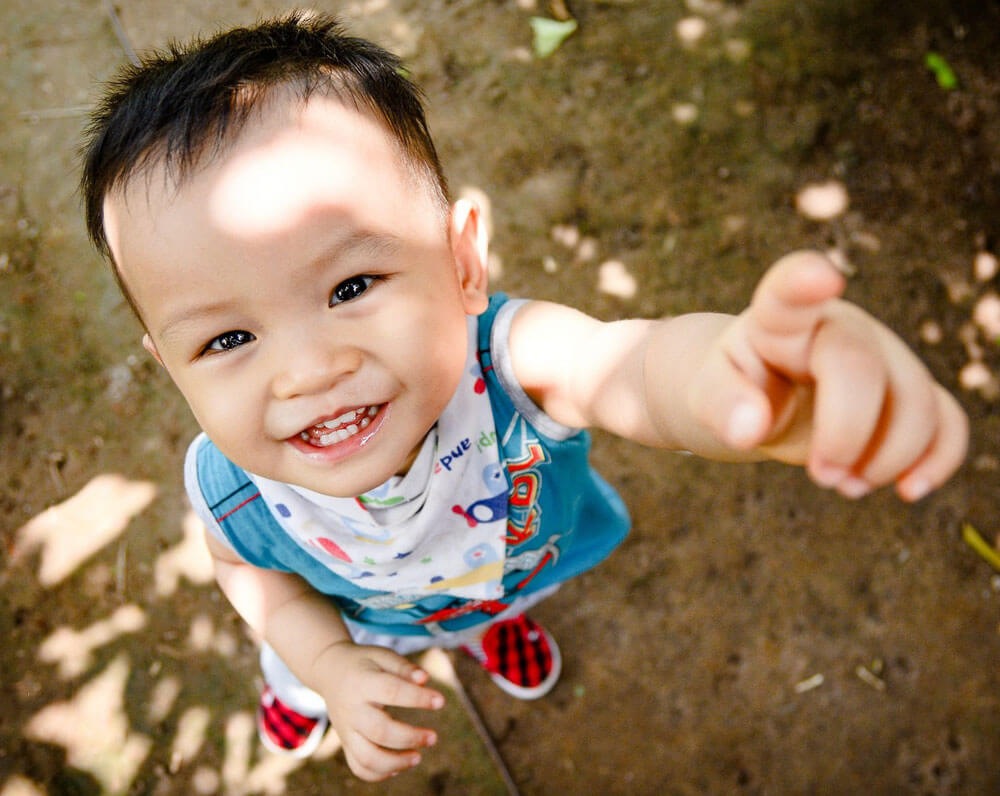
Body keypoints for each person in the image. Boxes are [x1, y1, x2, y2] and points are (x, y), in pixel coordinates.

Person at [80, 13, 968, 782]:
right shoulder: (228, 480)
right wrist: (327, 659)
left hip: (492, 570)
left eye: (351, 286)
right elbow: (251, 570)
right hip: (347, 620)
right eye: (227, 339)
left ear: (462, 262)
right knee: (307, 663)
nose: (306, 372)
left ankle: (480, 631)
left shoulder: (507, 363)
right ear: (170, 364)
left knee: (493, 600)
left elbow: (633, 367)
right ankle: (305, 689)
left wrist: (735, 379)